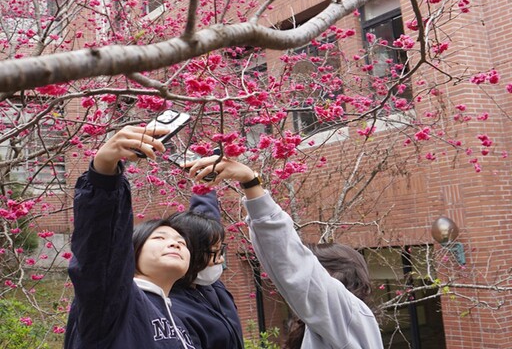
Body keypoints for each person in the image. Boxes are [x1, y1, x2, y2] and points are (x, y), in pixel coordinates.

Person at [186, 155, 384, 349]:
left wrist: (251, 182)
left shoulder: (348, 314)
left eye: (315, 268)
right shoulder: (336, 324)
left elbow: (292, 263)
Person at [64, 126, 196, 348]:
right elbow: (101, 251)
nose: (174, 242)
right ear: (131, 251)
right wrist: (104, 173)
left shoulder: (177, 319)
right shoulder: (114, 301)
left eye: (181, 243)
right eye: (159, 238)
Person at [168, 190, 245, 349]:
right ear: (191, 253)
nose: (221, 259)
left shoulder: (209, 288)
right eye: (214, 253)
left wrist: (205, 187)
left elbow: (204, 223)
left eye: (221, 250)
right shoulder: (172, 310)